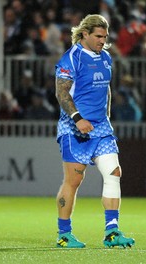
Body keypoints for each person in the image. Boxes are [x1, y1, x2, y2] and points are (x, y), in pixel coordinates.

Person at [54, 14, 135, 249]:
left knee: (114, 173)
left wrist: (106, 116)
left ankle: (112, 232)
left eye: (105, 37)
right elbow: (62, 93)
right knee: (74, 180)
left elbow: (105, 90)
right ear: (85, 34)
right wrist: (78, 118)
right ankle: (64, 234)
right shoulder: (71, 58)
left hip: (100, 127)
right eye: (98, 36)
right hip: (74, 127)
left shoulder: (106, 58)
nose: (102, 41)